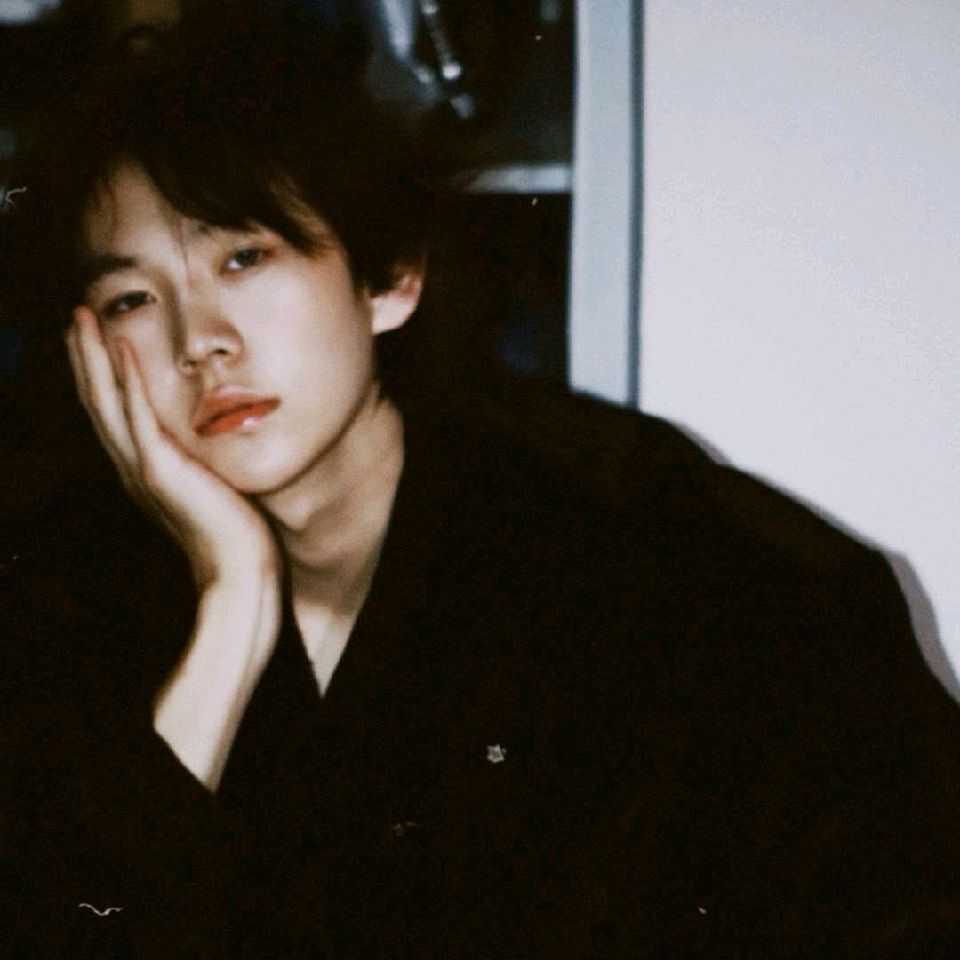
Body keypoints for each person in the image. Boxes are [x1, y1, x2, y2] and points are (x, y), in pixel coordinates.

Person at [3, 6, 960, 958]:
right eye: (131, 298)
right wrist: (232, 605)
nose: (199, 340)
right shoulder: (67, 587)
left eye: (244, 257)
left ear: (390, 277)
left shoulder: (666, 558)